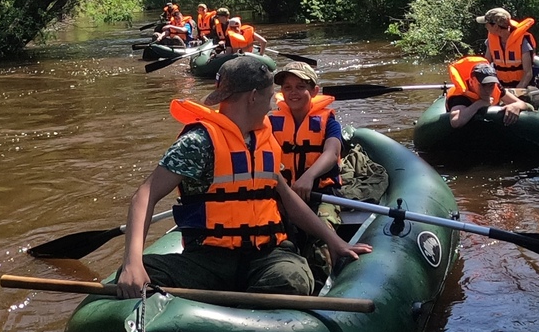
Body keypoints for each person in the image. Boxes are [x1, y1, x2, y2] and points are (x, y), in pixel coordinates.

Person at [116, 56, 372, 299]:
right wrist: (132, 262)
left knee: (292, 278)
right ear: (253, 97)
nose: (274, 103)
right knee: (148, 272)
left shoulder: (264, 139)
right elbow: (144, 195)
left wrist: (335, 242)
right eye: (271, 96)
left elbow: (288, 199)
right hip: (209, 259)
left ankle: (235, 316)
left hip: (265, 255)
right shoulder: (199, 142)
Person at [268, 62, 345, 288]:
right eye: (288, 87)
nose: (293, 92)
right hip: (284, 194)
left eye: (300, 86)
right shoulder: (270, 122)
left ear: (314, 91)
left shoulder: (328, 121)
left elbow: (332, 152)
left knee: (321, 241)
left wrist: (309, 177)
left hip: (321, 193)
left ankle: (326, 282)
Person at [446, 56, 532, 128]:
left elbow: (521, 103)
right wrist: (480, 103)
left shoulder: (496, 87)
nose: (488, 90)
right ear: (472, 82)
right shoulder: (460, 96)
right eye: (483, 85)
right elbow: (456, 122)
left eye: (490, 85)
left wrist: (515, 106)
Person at [476, 7, 538, 91]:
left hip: (522, 86)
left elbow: (528, 73)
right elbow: (486, 64)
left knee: (536, 100)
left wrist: (516, 91)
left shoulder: (523, 41)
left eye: (486, 24)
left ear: (496, 26)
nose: (485, 26)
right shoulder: (491, 41)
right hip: (501, 86)